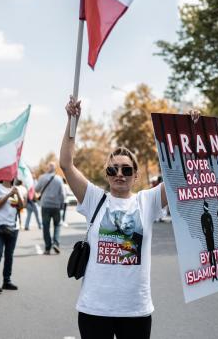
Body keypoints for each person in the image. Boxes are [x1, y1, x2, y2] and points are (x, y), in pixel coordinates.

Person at [60, 96, 176, 339]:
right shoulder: (94, 199)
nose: (119, 174)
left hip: (135, 310)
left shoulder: (147, 201)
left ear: (136, 175)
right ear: (107, 174)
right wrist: (72, 121)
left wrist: (193, 132)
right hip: (95, 309)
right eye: (113, 169)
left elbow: (179, 175)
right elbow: (67, 165)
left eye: (126, 169)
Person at [0, 179, 23, 294]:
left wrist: (17, 193)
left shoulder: (16, 189)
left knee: (9, 255)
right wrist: (8, 194)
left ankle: (7, 281)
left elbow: (21, 206)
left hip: (13, 227)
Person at [35, 162, 65, 254]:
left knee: (46, 226)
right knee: (57, 225)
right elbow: (63, 194)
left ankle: (47, 248)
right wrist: (61, 205)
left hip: (45, 205)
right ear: (55, 169)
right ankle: (56, 243)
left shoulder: (42, 177)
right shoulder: (59, 179)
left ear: (47, 168)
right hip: (56, 206)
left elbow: (36, 189)